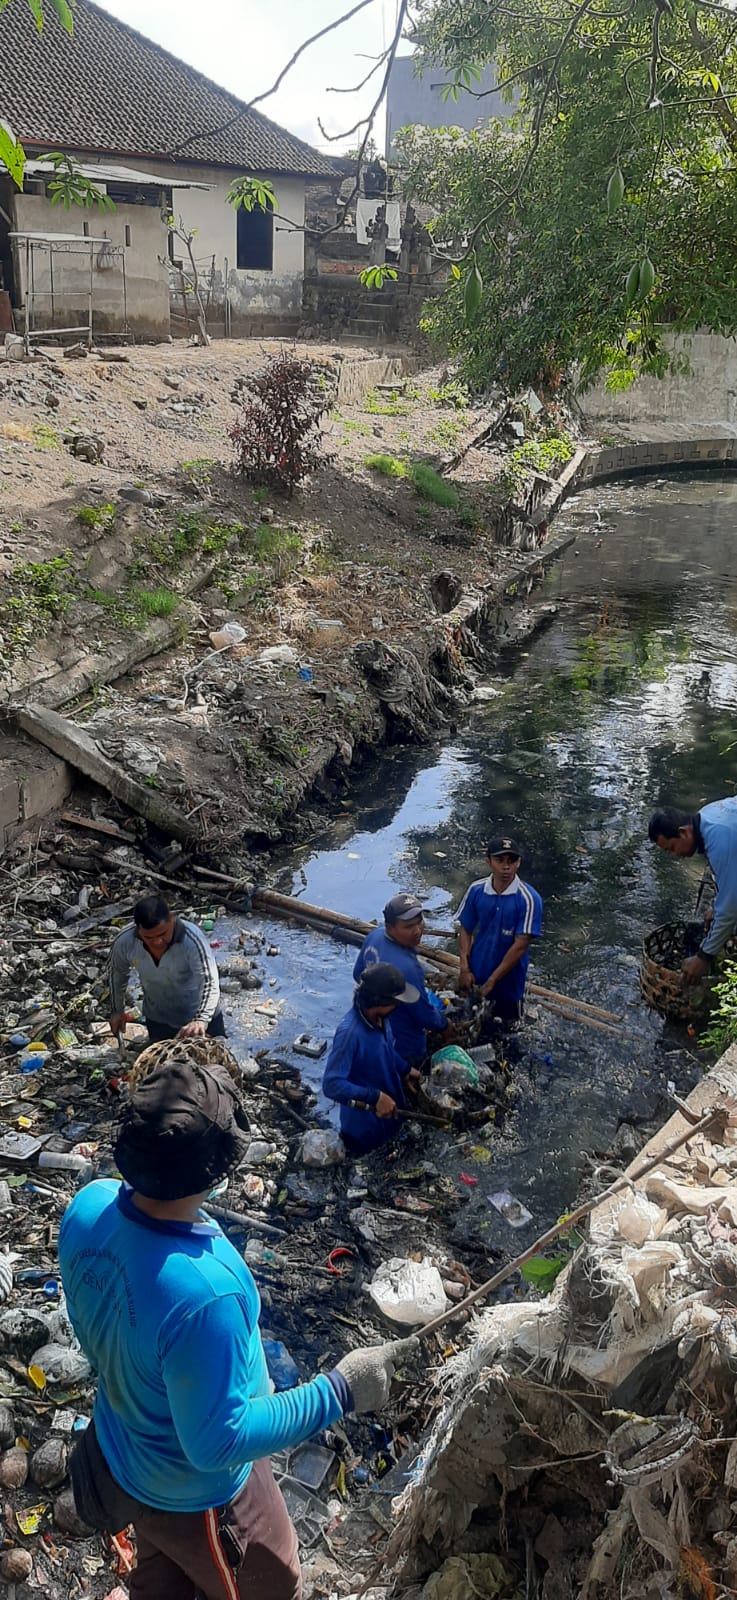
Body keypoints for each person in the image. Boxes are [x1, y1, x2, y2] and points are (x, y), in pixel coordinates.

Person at [58, 1054, 411, 1600]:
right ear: (215, 1170)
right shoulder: (206, 1295)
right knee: (274, 1584)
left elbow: (104, 1320)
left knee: (162, 1573)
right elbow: (218, 1441)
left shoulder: (88, 1206)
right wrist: (338, 1390)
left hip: (121, 1447)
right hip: (196, 1494)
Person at [322, 963, 421, 1154]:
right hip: (364, 1130)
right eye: (396, 1001)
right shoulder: (350, 1034)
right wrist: (375, 1097)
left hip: (391, 1114)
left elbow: (385, 1050)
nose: (399, 1006)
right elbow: (331, 1084)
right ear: (379, 1002)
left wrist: (405, 1069)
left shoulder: (382, 1018)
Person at [107, 892, 224, 1042]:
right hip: (159, 1019)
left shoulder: (192, 939)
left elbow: (209, 980)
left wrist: (201, 1019)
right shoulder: (125, 943)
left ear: (171, 921)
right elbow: (117, 976)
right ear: (138, 930)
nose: (157, 942)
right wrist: (117, 1011)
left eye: (162, 934)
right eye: (149, 937)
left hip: (199, 1018)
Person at [353, 892, 451, 1065]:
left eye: (419, 922)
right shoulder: (407, 967)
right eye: (408, 927)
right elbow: (423, 1014)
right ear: (391, 927)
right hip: (403, 1039)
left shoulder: (374, 935)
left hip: (374, 1027)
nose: (417, 930)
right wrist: (445, 1025)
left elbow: (357, 974)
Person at [456, 834, 543, 1022]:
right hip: (477, 973)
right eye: (500, 860)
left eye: (511, 861)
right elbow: (466, 929)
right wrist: (464, 968)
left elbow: (520, 945)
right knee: (471, 1023)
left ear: (518, 863)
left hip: (509, 983)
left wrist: (492, 981)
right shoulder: (476, 890)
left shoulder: (528, 899)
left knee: (508, 1032)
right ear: (488, 862)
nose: (506, 867)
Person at [648, 799, 737, 982]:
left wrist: (704, 956)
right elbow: (727, 874)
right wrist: (716, 906)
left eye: (672, 848)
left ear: (683, 832)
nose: (674, 855)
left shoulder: (720, 841)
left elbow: (730, 908)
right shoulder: (707, 815)